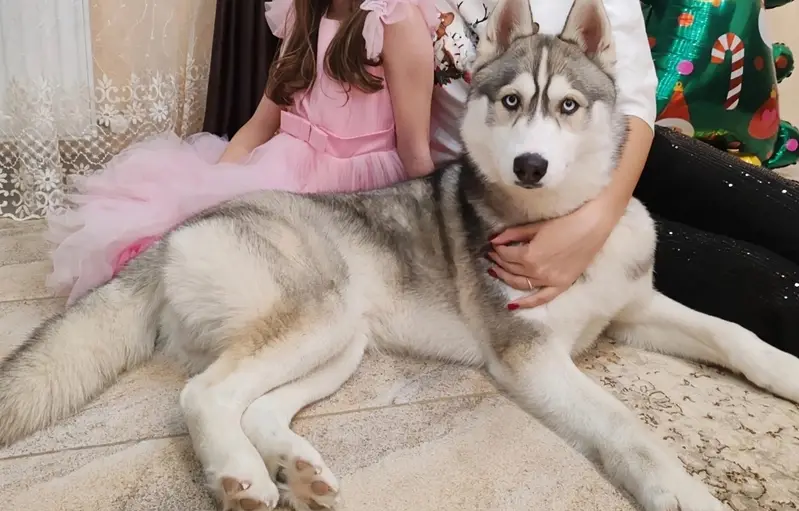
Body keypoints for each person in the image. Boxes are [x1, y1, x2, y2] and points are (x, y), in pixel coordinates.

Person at [431, 0, 799, 355]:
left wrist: (598, 220)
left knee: (781, 210)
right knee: (765, 285)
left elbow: (636, 97)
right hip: (511, 192)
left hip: (623, 150)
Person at [47, 0, 439, 305]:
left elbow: (414, 151)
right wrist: (214, 186)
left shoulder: (395, 20)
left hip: (350, 194)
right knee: (180, 228)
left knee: (264, 279)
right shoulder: (305, 15)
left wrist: (435, 239)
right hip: (286, 167)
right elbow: (259, 125)